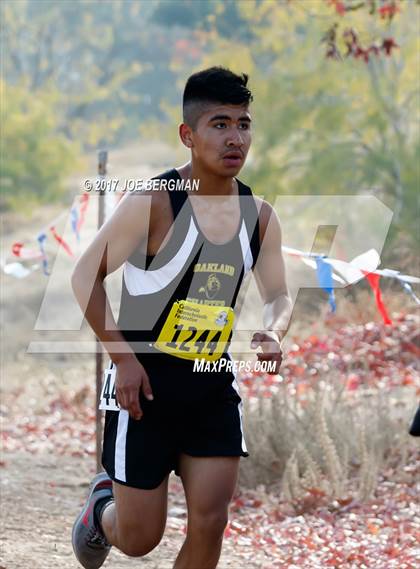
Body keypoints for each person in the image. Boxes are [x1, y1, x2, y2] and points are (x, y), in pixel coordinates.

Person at [71, 66, 292, 569]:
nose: (236, 137)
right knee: (140, 537)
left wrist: (273, 330)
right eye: (220, 124)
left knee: (211, 523)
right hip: (143, 387)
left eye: (243, 123)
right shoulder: (152, 203)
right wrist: (123, 360)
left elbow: (278, 293)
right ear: (188, 135)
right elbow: (85, 278)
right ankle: (101, 511)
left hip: (211, 386)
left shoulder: (259, 216)